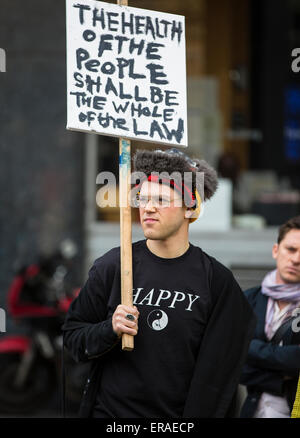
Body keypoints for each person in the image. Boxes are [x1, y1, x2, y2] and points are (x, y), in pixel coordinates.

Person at [62, 148, 255, 418]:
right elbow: (73, 338)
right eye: (142, 198)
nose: (148, 207)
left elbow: (220, 376)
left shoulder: (216, 281)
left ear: (190, 208)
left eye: (161, 199)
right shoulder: (115, 265)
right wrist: (110, 329)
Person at [240, 215, 300, 418]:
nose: (296, 259)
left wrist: (251, 348)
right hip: (253, 410)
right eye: (291, 249)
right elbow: (231, 362)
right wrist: (281, 378)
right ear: (276, 250)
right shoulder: (249, 299)